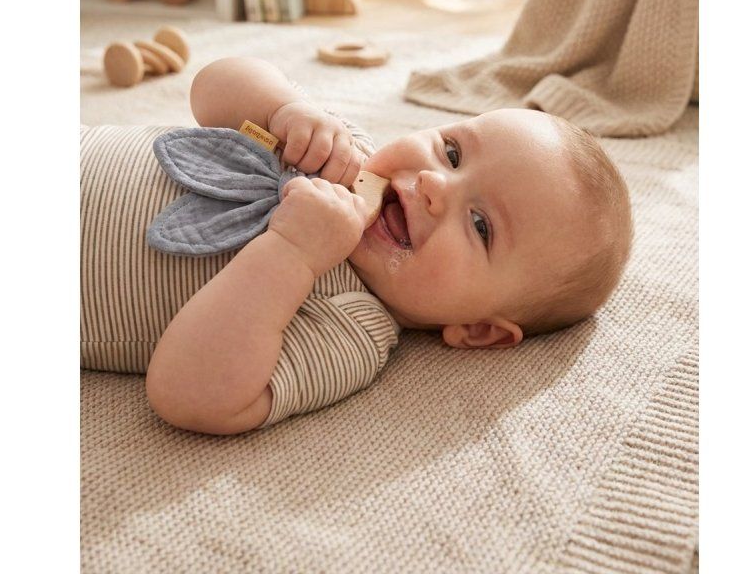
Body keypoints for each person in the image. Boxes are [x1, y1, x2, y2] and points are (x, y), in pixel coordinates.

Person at [109, 56, 632, 435]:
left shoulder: (352, 329)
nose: (435, 183)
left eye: (480, 225)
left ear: (479, 330)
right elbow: (212, 85)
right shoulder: (343, 152)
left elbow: (189, 395)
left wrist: (291, 253)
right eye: (452, 152)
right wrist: (285, 108)